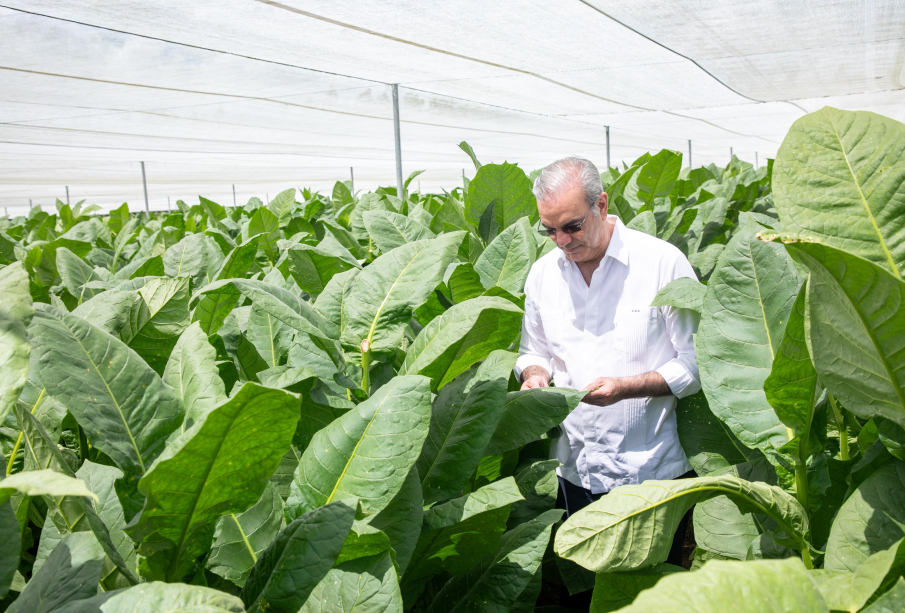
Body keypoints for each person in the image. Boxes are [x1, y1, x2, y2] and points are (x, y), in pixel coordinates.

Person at [516, 156, 700, 573]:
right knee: (587, 590)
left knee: (652, 592)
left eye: (572, 226)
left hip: (651, 474)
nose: (561, 240)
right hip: (575, 469)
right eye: (550, 230)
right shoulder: (542, 274)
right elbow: (533, 351)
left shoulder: (662, 263)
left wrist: (626, 387)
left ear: (600, 205)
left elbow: (694, 366)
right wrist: (535, 375)